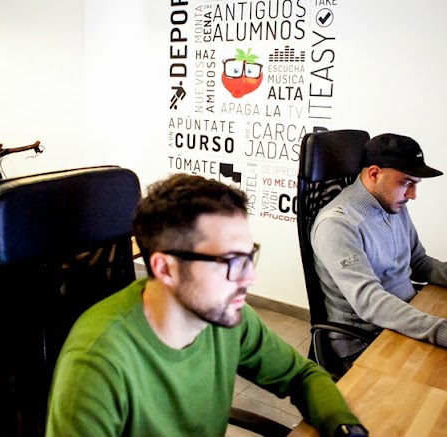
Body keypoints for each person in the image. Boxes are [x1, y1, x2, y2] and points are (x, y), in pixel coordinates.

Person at [47, 173, 367, 437]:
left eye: (248, 256)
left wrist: (343, 427)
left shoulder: (228, 316)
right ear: (166, 268)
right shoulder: (98, 365)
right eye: (231, 261)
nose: (249, 278)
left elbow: (300, 375)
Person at [311, 133, 447, 371]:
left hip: (404, 318)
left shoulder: (391, 205)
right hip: (367, 342)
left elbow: (418, 261)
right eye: (406, 183)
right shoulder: (337, 225)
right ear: (374, 174)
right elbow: (371, 302)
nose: (412, 195)